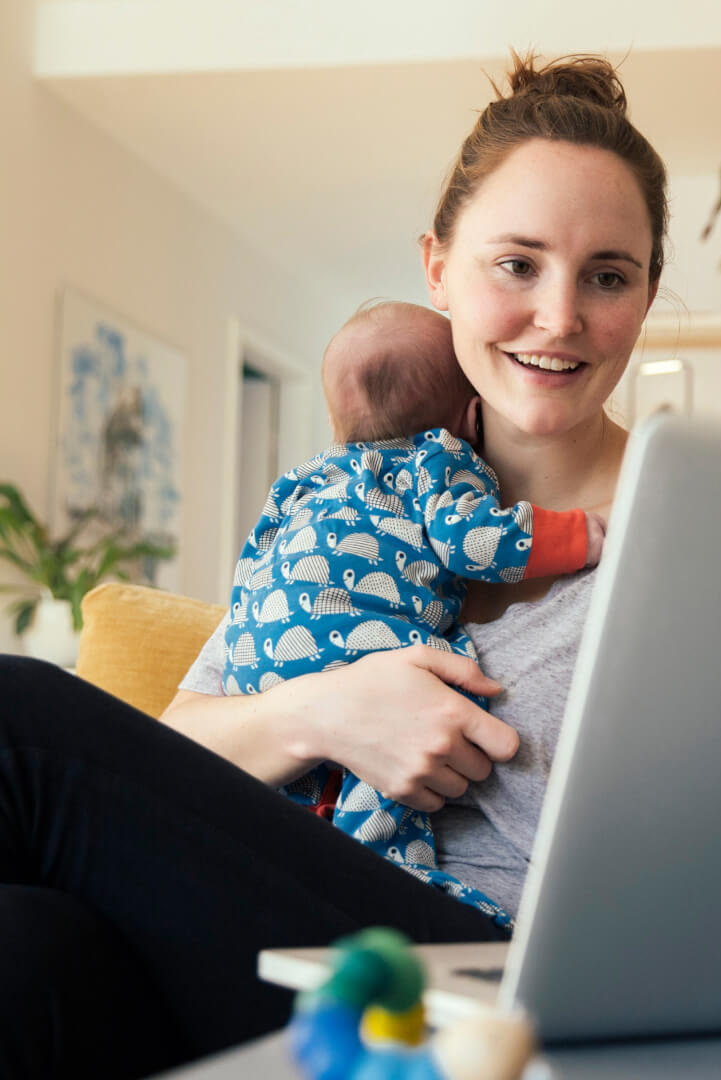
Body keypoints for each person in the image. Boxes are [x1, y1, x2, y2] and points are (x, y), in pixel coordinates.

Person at [0, 49, 666, 1078]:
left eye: (608, 275)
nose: (561, 314)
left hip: (496, 990)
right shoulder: (343, 506)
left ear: (648, 293)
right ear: (438, 266)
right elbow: (178, 745)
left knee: (19, 717)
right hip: (280, 964)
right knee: (24, 945)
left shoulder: (679, 537)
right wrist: (330, 710)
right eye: (517, 263)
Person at [225, 299, 605, 928]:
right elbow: (476, 542)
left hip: (259, 650)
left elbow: (256, 558)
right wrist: (585, 537)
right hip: (357, 650)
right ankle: (378, 851)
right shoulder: (437, 457)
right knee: (446, 682)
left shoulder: (309, 477)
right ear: (468, 416)